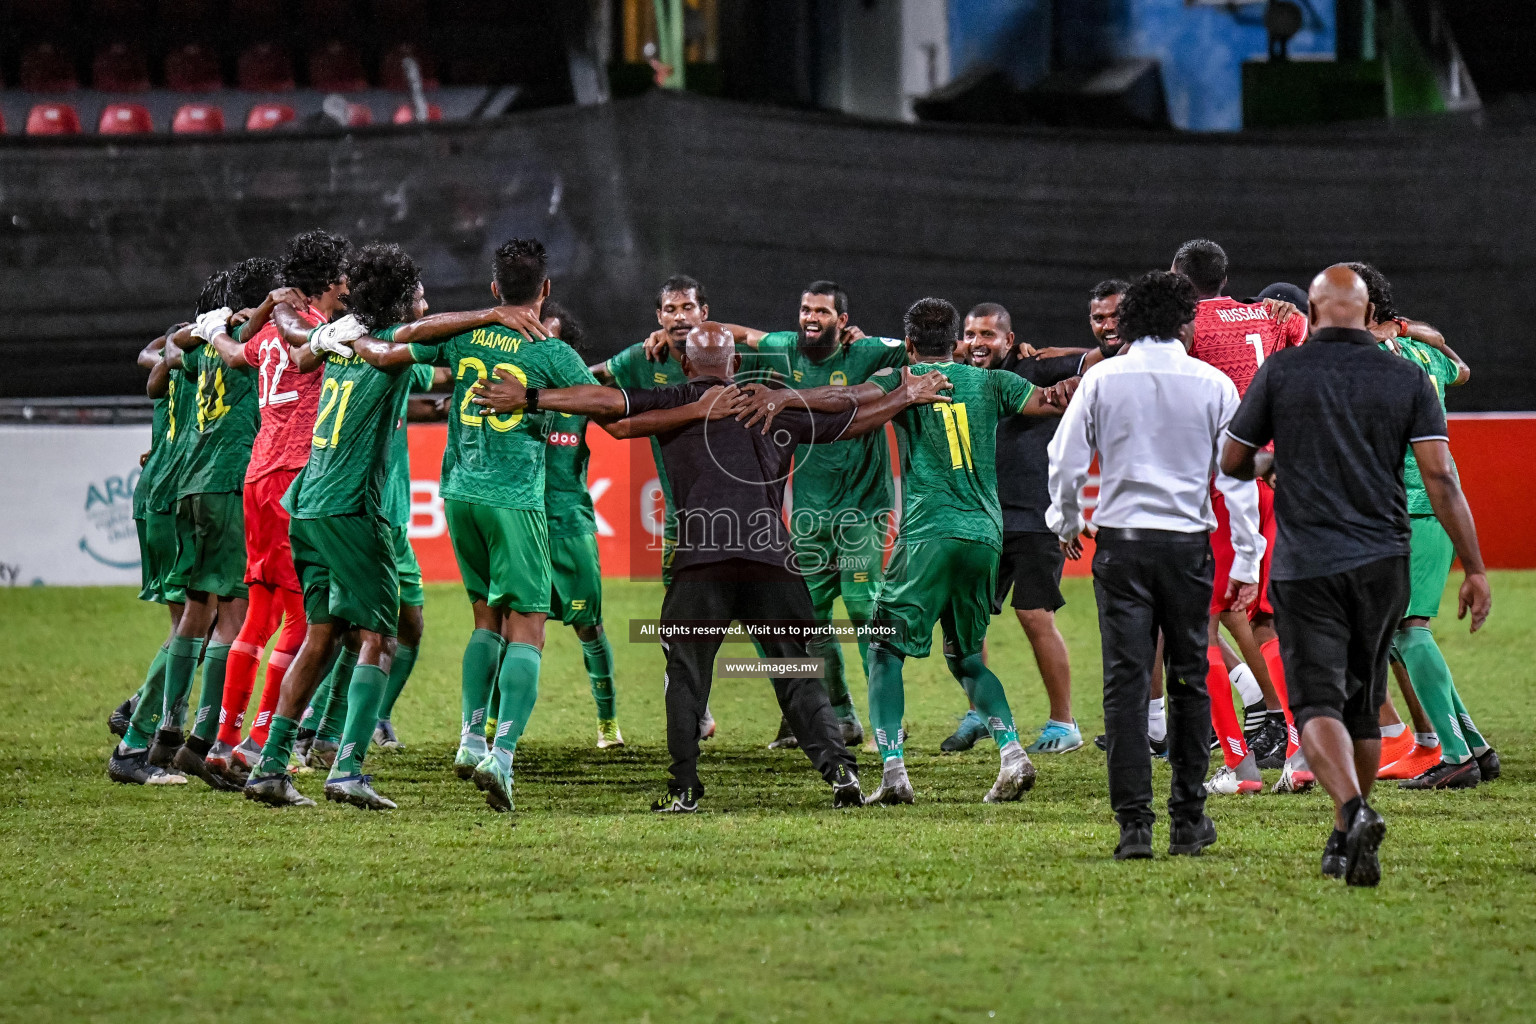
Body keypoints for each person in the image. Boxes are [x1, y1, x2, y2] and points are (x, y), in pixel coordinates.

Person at [475, 323, 951, 810]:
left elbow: (603, 403)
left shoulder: (674, 402)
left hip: (702, 563)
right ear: (737, 364)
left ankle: (684, 790)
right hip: (773, 562)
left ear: (683, 365)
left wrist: (530, 398)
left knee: (686, 677)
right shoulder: (771, 404)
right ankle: (841, 775)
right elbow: (851, 419)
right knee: (799, 673)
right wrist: (905, 397)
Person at [1220, 264, 1491, 886]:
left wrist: (1270, 462)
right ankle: (1346, 835)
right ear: (1371, 316)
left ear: (1311, 314)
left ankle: (1350, 809)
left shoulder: (1283, 371)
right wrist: (1473, 566)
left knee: (1317, 701)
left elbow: (1233, 459)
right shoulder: (1409, 375)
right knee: (1364, 704)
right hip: (1383, 560)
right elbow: (1442, 478)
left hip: (1308, 561)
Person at [1049, 270, 1262, 861]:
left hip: (1121, 546)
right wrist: (1247, 554)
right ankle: (1189, 820)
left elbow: (1064, 459)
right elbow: (1235, 475)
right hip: (1189, 548)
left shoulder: (1102, 379)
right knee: (1191, 679)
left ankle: (1134, 827)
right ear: (1184, 322)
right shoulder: (1214, 382)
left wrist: (1066, 522)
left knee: (1125, 685)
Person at [197, 229, 349, 780]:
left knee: (259, 613)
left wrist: (218, 330)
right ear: (330, 282)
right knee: (304, 619)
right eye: (344, 275)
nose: (350, 284)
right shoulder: (317, 334)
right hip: (292, 476)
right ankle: (260, 739)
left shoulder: (271, 333)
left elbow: (237, 356)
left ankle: (223, 740)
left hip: (257, 475)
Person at [944, 289, 1123, 756]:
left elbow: (1104, 358)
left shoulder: (1037, 370)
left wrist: (1057, 354)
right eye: (969, 334)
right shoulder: (956, 378)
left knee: (1033, 615)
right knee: (969, 621)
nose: (977, 341)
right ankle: (978, 711)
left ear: (1010, 339)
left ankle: (1064, 722)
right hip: (979, 518)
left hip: (1034, 518)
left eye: (988, 334)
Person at [734, 282, 906, 750]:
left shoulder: (870, 352)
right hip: (810, 516)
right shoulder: (785, 348)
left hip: (863, 512)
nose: (811, 317)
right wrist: (671, 336)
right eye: (805, 309)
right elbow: (737, 333)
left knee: (864, 609)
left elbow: (921, 346)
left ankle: (887, 723)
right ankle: (841, 716)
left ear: (843, 322)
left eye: (823, 312)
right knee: (807, 618)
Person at [1349, 262, 1499, 789]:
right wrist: (1420, 332)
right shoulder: (1423, 351)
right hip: (1420, 502)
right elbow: (1462, 373)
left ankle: (1454, 755)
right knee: (1394, 635)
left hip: (1409, 503)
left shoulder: (1368, 353)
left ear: (1363, 307)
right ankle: (1473, 745)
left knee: (1409, 632)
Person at [1172, 239, 1307, 795]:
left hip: (1229, 480)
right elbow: (1315, 338)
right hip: (1281, 474)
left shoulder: (1185, 328)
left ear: (1179, 278)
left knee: (1197, 622)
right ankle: (1299, 755)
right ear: (1226, 277)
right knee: (1268, 617)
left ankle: (1239, 764)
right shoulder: (1272, 316)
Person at [533, 300, 626, 749]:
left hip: (570, 523)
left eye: (551, 339)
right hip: (523, 524)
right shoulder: (510, 389)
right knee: (515, 628)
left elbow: (621, 401)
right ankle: (487, 728)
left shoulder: (581, 395)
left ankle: (607, 722)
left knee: (590, 626)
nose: (540, 345)